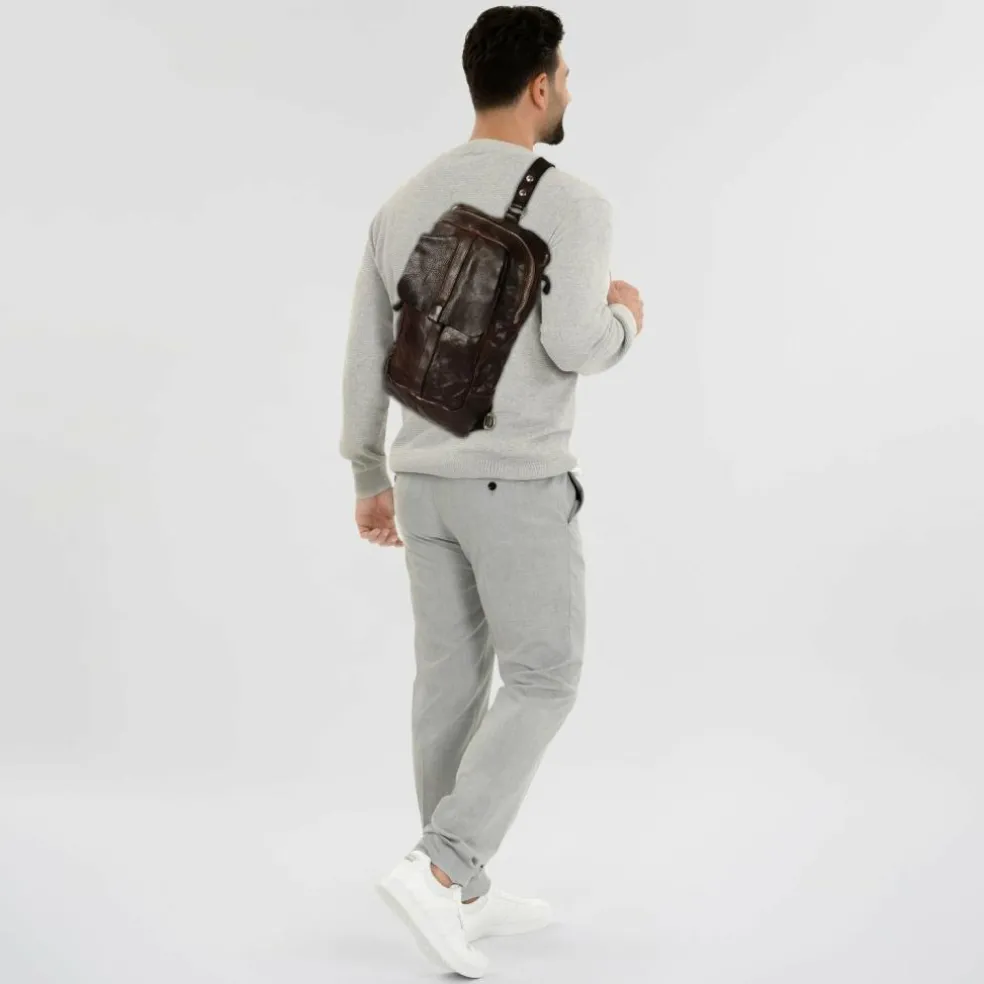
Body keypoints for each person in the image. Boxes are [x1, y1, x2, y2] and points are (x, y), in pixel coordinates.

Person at [339, 5, 644, 977]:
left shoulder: (401, 203)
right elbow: (576, 342)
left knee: (448, 687)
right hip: (516, 482)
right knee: (546, 677)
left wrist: (368, 473)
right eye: (567, 76)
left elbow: (366, 352)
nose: (568, 90)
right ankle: (442, 866)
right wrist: (628, 317)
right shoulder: (576, 203)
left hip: (423, 483)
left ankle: (459, 893)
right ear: (541, 85)